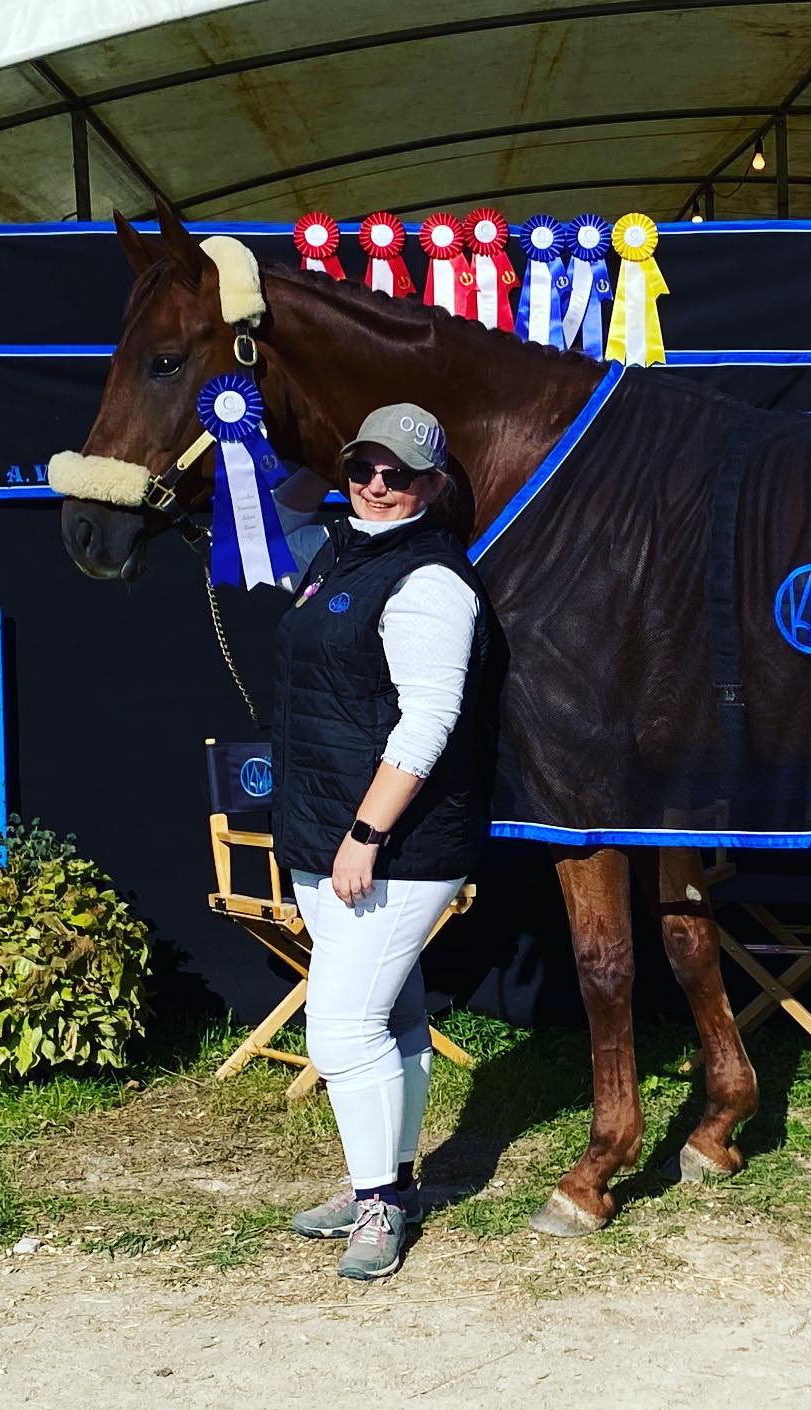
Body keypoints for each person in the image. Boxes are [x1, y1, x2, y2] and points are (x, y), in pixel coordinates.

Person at [269, 403, 491, 1282]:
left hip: (393, 844)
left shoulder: (431, 581)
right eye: (362, 466)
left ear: (431, 485)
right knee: (392, 1016)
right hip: (325, 830)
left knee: (341, 1028)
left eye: (398, 473)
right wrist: (311, 444)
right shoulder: (339, 550)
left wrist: (366, 832)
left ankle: (378, 1207)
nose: (376, 484)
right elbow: (283, 508)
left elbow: (429, 719)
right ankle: (387, 1182)